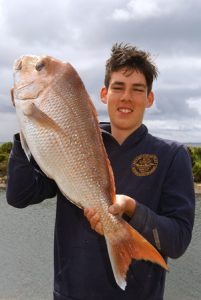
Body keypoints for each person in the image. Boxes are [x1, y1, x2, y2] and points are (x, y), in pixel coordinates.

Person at [6, 43, 195, 300]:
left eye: (137, 89)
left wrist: (132, 209)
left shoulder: (172, 155)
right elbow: (18, 196)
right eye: (118, 87)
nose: (126, 97)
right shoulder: (74, 140)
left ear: (149, 99)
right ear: (104, 94)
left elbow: (178, 241)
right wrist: (25, 124)